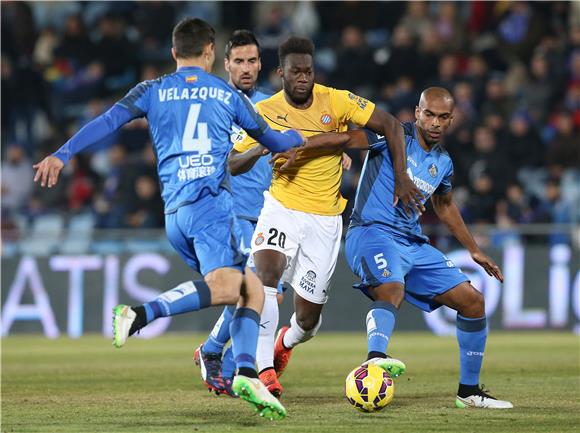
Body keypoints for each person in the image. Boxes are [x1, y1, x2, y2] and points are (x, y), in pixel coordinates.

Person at [32, 18, 307, 420]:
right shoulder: (226, 96)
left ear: (175, 53)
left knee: (247, 289)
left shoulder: (152, 90)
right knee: (241, 287)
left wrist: (62, 154)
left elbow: (107, 121)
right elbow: (276, 142)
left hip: (175, 214)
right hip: (211, 208)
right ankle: (141, 315)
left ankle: (244, 370)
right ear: (212, 52)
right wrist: (303, 141)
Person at [278, 87, 513, 409]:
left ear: (451, 120)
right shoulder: (393, 135)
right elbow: (346, 139)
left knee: (473, 302)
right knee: (391, 288)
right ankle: (375, 359)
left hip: (411, 241)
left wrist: (473, 249)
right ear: (417, 113)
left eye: (443, 117)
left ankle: (468, 392)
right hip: (371, 233)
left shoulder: (443, 162)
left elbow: (444, 206)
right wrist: (300, 144)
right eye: (428, 114)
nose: (435, 122)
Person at [233, 36, 423, 396]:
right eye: (295, 71)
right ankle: (264, 371)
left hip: (324, 220)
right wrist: (264, 144)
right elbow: (232, 163)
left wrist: (402, 177)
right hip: (281, 207)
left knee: (307, 320)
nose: (303, 77)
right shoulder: (264, 112)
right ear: (280, 73)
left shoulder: (336, 100)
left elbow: (392, 126)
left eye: (308, 71)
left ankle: (285, 343)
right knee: (266, 276)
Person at [191, 29, 278, 396]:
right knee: (250, 287)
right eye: (239, 61)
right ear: (225, 63)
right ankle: (217, 355)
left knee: (266, 294)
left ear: (260, 64)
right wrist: (261, 147)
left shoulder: (273, 104)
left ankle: (222, 362)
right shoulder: (212, 106)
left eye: (252, 60)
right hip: (231, 212)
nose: (246, 67)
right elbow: (222, 162)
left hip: (273, 212)